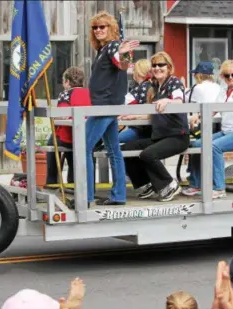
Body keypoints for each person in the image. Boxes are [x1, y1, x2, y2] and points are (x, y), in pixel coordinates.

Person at [84, 11, 140, 207]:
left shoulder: (114, 46)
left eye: (102, 27)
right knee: (113, 151)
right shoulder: (103, 50)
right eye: (95, 27)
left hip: (104, 107)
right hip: (107, 106)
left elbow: (123, 64)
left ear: (112, 29)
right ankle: (118, 195)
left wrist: (124, 51)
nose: (98, 30)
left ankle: (87, 196)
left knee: (83, 148)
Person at [183, 60, 233, 199]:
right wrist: (198, 117)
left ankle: (219, 188)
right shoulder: (222, 90)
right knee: (198, 144)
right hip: (227, 131)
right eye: (226, 75)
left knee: (214, 146)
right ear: (222, 76)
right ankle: (196, 184)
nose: (230, 78)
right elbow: (213, 109)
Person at [122, 51, 190, 202]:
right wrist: (133, 116)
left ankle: (170, 184)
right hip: (160, 136)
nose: (157, 68)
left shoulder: (174, 82)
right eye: (154, 65)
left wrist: (168, 101)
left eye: (161, 65)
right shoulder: (155, 87)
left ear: (169, 67)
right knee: (126, 148)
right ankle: (146, 185)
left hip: (177, 136)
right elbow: (153, 114)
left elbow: (180, 101)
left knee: (147, 154)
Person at [46, 67, 91, 186]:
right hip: (87, 136)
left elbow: (62, 116)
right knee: (74, 147)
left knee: (52, 142)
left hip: (68, 136)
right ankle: (73, 179)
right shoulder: (90, 93)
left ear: (67, 81)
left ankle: (51, 180)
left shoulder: (65, 94)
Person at [119, 59, 153, 143]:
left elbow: (121, 106)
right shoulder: (155, 86)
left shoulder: (137, 90)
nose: (133, 73)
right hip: (155, 131)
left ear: (138, 72)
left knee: (111, 140)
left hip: (139, 130)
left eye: (134, 70)